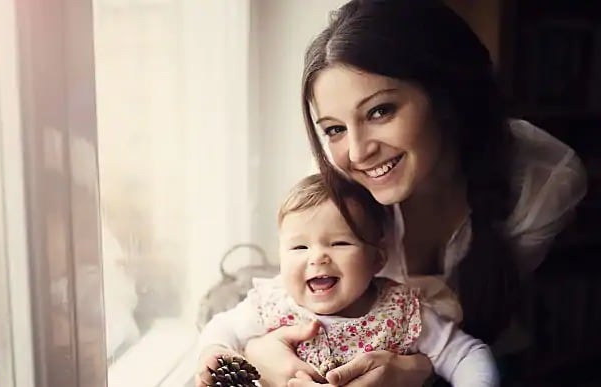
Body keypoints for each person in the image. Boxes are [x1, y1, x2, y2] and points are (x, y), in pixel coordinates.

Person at [243, 1, 588, 386]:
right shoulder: (337, 183)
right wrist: (260, 351)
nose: (358, 153)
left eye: (379, 111)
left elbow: (471, 339)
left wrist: (418, 370)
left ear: (447, 96)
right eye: (335, 129)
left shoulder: (544, 180)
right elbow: (297, 301)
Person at [196, 174, 498, 387]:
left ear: (377, 259)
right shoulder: (272, 303)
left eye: (339, 244)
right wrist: (214, 354)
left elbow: (468, 354)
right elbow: (221, 328)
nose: (317, 258)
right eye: (299, 247)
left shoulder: (401, 312)